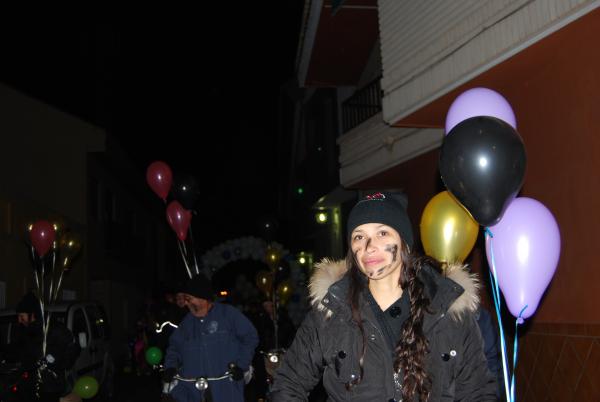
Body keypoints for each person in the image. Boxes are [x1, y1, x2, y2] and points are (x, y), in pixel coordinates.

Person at [271, 192, 498, 401]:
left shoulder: (447, 309)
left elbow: (479, 392)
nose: (369, 247)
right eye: (359, 237)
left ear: (404, 243)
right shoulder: (331, 312)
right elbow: (288, 384)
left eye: (382, 233)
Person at [162, 273, 259, 402]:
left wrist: (241, 366)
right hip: (194, 392)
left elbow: (250, 337)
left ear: (202, 298)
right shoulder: (186, 324)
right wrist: (170, 367)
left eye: (189, 298)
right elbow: (174, 348)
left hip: (226, 389)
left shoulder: (228, 314)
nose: (186, 302)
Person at [10, 291, 81, 402]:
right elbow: (17, 351)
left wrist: (55, 359)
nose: (19, 320)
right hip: (29, 385)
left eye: (21, 316)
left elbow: (73, 348)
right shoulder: (25, 331)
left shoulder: (53, 328)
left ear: (32, 314)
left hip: (50, 387)